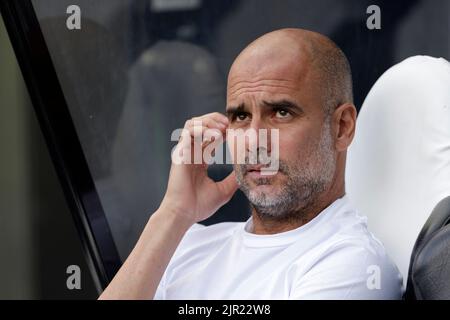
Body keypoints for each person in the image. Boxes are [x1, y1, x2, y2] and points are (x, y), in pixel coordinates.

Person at [99, 28, 402, 300]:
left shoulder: (353, 264)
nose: (255, 141)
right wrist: (174, 213)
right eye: (241, 117)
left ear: (341, 127)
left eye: (281, 112)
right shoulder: (187, 245)